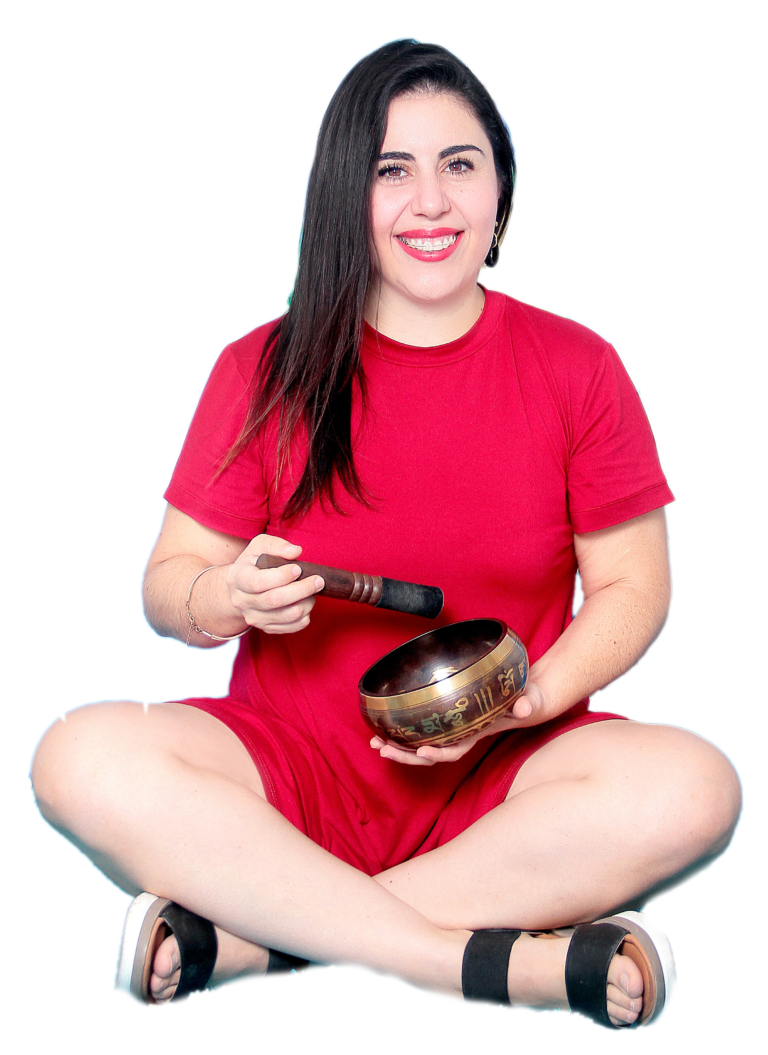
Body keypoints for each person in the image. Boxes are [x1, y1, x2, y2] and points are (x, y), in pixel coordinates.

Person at [28, 37, 742, 1029]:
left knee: (697, 788)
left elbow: (635, 588)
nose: (431, 203)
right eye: (391, 171)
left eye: (460, 164)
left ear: (501, 189)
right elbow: (167, 589)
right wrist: (226, 594)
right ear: (344, 196)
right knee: (75, 754)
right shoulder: (260, 365)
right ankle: (471, 962)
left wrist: (531, 701)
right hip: (288, 771)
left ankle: (265, 942)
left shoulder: (581, 364)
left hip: (504, 773)